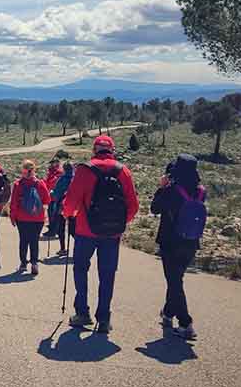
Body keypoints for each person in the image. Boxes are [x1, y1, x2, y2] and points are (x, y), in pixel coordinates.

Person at [61, 135, 139, 333]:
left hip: (85, 232)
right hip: (111, 235)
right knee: (107, 275)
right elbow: (133, 206)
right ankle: (103, 319)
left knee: (80, 270)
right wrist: (119, 224)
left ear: (94, 149)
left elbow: (70, 203)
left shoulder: (85, 170)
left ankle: (82, 313)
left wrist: (68, 214)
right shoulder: (124, 172)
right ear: (112, 150)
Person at [151, 154, 205, 341]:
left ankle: (185, 323)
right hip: (191, 242)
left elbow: (154, 208)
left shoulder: (172, 190)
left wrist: (162, 187)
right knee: (176, 280)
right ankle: (167, 313)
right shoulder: (200, 192)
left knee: (175, 282)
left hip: (171, 242)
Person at [9, 159, 51, 275]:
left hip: (22, 218)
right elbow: (47, 199)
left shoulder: (18, 184)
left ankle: (23, 264)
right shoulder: (40, 183)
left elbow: (13, 203)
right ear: (34, 170)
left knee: (23, 240)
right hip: (37, 218)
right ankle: (34, 263)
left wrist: (12, 216)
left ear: (23, 170)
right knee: (34, 241)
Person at [50, 161, 74, 256]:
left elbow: (55, 194)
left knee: (61, 228)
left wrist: (51, 193)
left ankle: (63, 248)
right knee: (73, 229)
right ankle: (78, 250)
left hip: (61, 207)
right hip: (74, 208)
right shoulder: (75, 179)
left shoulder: (61, 179)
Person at [41, 158, 64, 239]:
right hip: (50, 196)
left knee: (54, 215)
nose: (51, 165)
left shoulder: (59, 173)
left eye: (52, 163)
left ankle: (53, 231)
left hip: (56, 197)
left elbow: (53, 183)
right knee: (51, 214)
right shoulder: (51, 172)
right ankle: (52, 230)